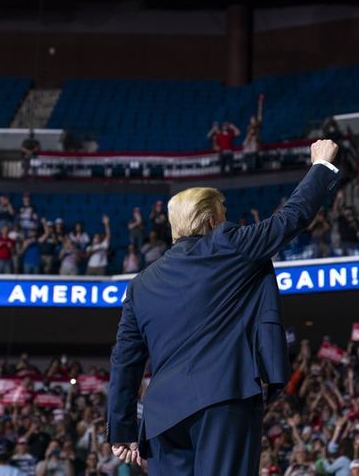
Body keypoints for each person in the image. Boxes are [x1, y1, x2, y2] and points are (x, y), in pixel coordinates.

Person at [107, 140, 340, 475]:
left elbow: (124, 360)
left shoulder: (140, 284)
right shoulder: (226, 245)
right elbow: (289, 220)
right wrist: (320, 166)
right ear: (211, 219)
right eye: (224, 215)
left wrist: (122, 429)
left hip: (162, 419)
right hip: (222, 399)